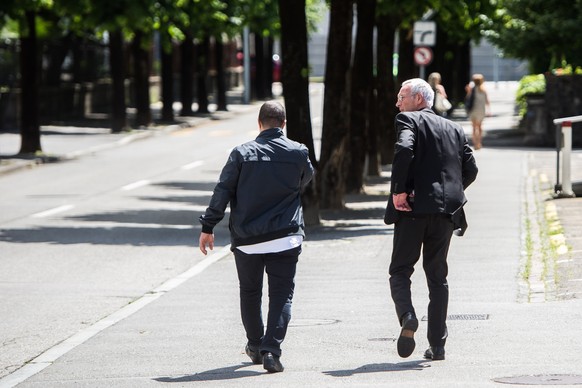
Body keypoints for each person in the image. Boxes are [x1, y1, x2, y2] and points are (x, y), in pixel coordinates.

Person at [198, 100, 314, 373]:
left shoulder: (241, 153)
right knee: (282, 295)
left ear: (259, 123)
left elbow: (223, 190)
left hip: (248, 238)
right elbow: (306, 178)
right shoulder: (298, 151)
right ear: (283, 124)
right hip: (286, 235)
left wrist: (208, 226)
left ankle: (254, 344)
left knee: (250, 292)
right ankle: (271, 351)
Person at [384, 78, 478, 361]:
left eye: (402, 97)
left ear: (418, 99)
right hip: (446, 213)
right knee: (438, 277)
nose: (398, 103)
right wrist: (452, 191)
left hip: (412, 209)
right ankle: (437, 345)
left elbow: (404, 150)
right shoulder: (453, 127)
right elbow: (470, 168)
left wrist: (399, 191)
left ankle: (408, 316)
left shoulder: (408, 120)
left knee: (400, 270)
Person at [465, 73, 490, 149]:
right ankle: (479, 143)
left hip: (473, 110)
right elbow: (487, 101)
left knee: (473, 127)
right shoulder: (484, 90)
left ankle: (475, 143)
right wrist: (489, 110)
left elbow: (467, 99)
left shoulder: (472, 90)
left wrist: (467, 91)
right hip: (481, 111)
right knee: (480, 127)